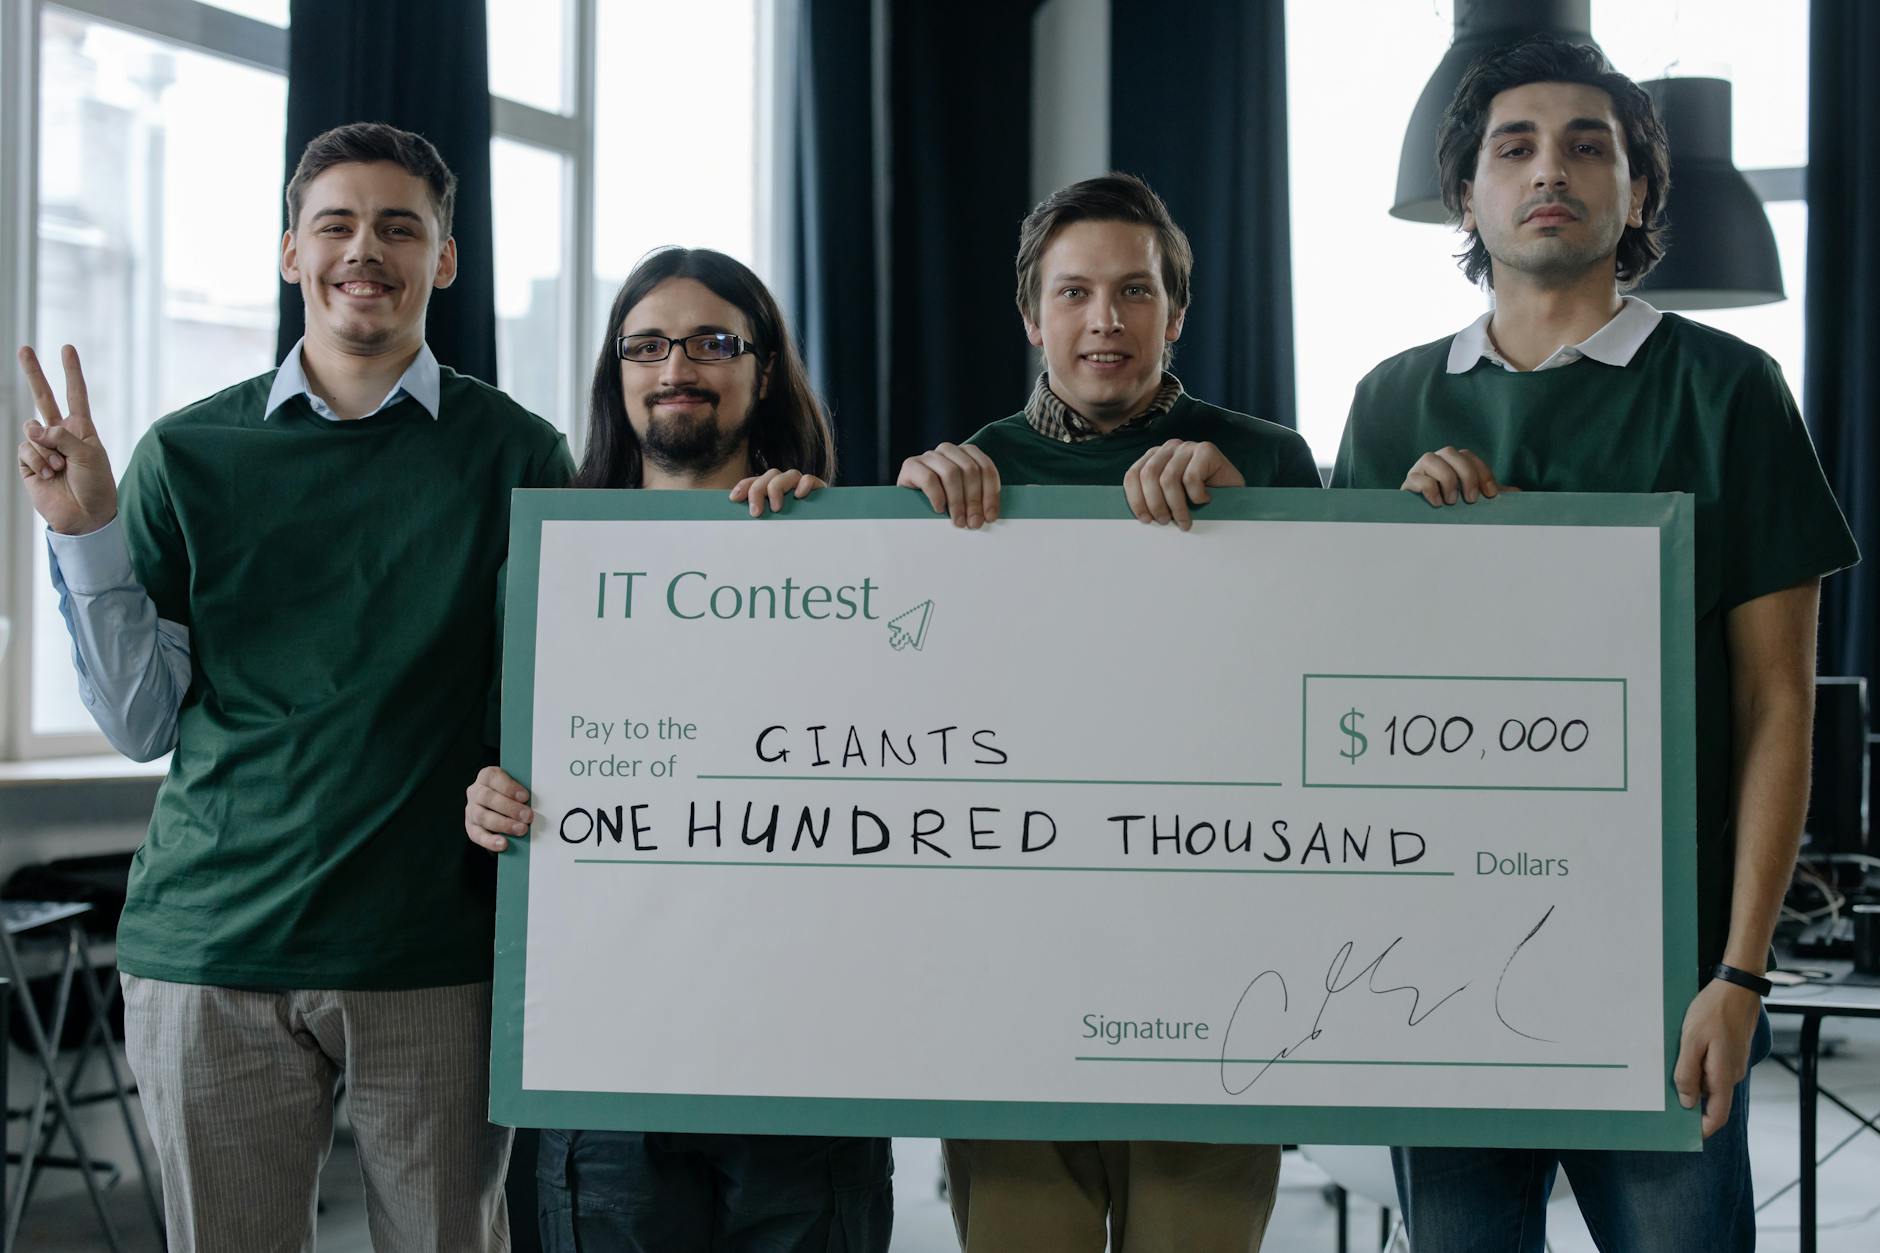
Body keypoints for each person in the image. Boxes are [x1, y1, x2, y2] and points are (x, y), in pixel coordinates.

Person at [1331, 36, 1858, 1252]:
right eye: (1510, 147)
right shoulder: (1389, 402)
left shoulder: (1725, 388)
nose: (1547, 169)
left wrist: (1740, 974)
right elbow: (1344, 705)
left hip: (1662, 981)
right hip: (1434, 975)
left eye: (1586, 144)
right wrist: (1397, 558)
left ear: (1636, 191)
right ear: (1464, 195)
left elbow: (1777, 705)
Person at [15, 122, 573, 1249]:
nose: (364, 249)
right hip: (213, 951)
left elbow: (559, 695)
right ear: (290, 254)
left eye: (398, 226)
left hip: (433, 950)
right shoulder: (186, 454)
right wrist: (87, 534)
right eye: (336, 223)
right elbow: (136, 720)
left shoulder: (517, 452)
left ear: (445, 260)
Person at [897, 172, 1320, 1253]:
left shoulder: (1264, 461)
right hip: (1013, 970)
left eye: (1134, 292)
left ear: (1175, 314)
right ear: (1031, 314)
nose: (1104, 320)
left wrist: (1261, 528)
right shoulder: (961, 475)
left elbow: (1323, 694)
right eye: (1074, 292)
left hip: (1218, 970)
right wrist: (890, 543)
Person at [463, 246, 893, 1252]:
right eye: (646, 345)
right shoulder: (552, 563)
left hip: (805, 1056)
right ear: (617, 376)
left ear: (763, 366)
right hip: (609, 1050)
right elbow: (497, 754)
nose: (676, 367)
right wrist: (486, 798)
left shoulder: (858, 555)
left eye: (710, 341)